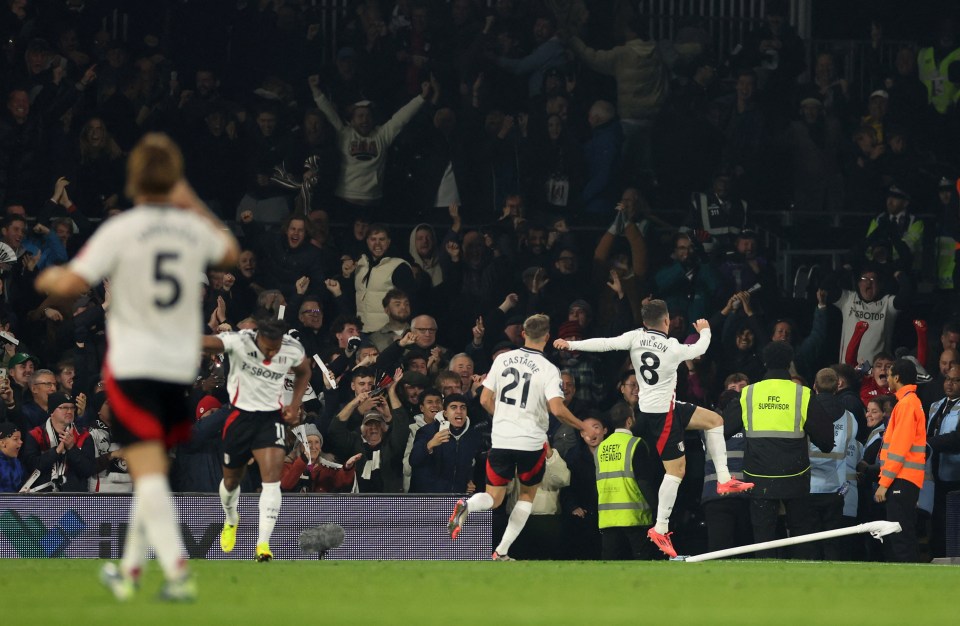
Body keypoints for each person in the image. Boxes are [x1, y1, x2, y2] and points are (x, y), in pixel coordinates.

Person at [34, 133, 240, 601]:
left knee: (147, 469)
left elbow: (70, 280)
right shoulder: (190, 230)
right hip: (175, 366)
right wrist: (189, 198)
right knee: (149, 469)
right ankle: (131, 571)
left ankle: (175, 572)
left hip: (133, 363)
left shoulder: (124, 229)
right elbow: (228, 251)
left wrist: (46, 276)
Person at [554, 299, 754, 558]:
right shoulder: (672, 347)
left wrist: (570, 344)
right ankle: (660, 528)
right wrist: (705, 329)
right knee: (676, 471)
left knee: (715, 421)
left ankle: (725, 480)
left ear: (644, 321)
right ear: (667, 320)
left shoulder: (635, 337)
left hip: (661, 407)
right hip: (663, 416)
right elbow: (701, 347)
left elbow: (604, 343)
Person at [447, 314, 585, 561]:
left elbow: (484, 399)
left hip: (501, 441)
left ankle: (468, 505)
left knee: (494, 498)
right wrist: (580, 424)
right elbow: (557, 408)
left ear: (523, 333)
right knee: (526, 497)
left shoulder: (502, 360)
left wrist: (504, 418)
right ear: (547, 336)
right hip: (531, 443)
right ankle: (501, 551)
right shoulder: (549, 369)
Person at [202, 318, 310, 562]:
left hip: (270, 419)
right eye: (267, 347)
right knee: (230, 481)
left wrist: (294, 404)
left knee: (272, 480)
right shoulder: (240, 341)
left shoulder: (292, 347)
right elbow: (205, 343)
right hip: (239, 417)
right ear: (258, 336)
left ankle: (263, 544)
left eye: (276, 348)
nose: (271, 353)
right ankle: (231, 519)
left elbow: (305, 370)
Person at [721, 341, 836, 559]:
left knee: (763, 537)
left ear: (764, 363)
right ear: (789, 363)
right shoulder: (802, 394)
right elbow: (827, 441)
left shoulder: (748, 394)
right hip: (796, 477)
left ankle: (765, 586)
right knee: (801, 533)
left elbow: (723, 429)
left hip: (759, 477)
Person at [876, 358, 926, 562]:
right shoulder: (909, 403)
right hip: (906, 478)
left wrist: (883, 483)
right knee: (904, 532)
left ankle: (908, 579)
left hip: (902, 478)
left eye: (889, 375)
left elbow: (898, 449)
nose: (886, 378)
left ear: (897, 377)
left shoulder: (906, 404)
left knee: (899, 533)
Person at [596, 408, 660, 560]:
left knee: (611, 566)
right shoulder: (635, 444)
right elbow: (643, 481)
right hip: (634, 515)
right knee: (643, 561)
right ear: (629, 421)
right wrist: (656, 508)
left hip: (608, 516)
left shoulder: (601, 448)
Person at [923, 363, 960, 558]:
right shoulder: (936, 405)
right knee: (936, 520)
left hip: (955, 476)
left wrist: (928, 443)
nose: (950, 384)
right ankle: (937, 555)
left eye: (956, 380)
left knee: (953, 522)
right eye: (948, 379)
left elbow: (957, 438)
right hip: (934, 474)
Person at [0, 420, 24, 492]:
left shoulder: (17, 462)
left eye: (20, 438)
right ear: (2, 443)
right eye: (15, 439)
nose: (21, 442)